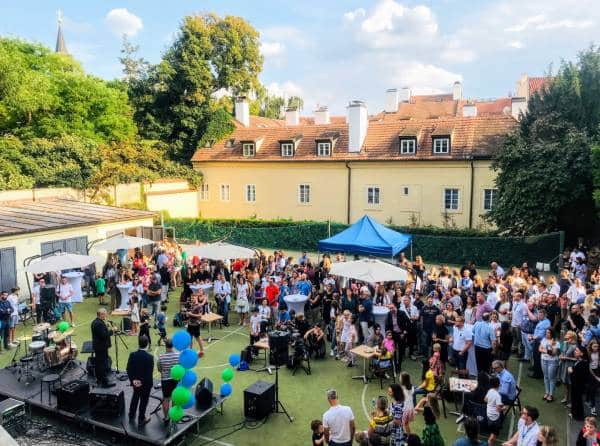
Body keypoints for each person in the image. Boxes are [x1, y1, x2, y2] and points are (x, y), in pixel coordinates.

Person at [127, 335, 154, 427]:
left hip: (135, 383)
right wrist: (141, 381)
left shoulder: (133, 355)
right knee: (143, 401)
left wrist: (134, 380)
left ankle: (131, 414)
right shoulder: (150, 357)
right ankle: (141, 419)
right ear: (147, 344)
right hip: (145, 384)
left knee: (135, 397)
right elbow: (148, 373)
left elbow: (128, 369)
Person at [157, 338, 179, 423]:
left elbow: (159, 369)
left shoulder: (161, 357)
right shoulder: (178, 355)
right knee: (174, 399)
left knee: (166, 399)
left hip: (165, 380)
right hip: (175, 379)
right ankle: (174, 416)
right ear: (173, 346)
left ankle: (166, 418)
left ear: (165, 346)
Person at [91, 308, 114, 387]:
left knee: (99, 363)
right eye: (105, 314)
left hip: (98, 346)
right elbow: (103, 335)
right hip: (101, 347)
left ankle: (99, 379)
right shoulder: (99, 324)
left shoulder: (95, 322)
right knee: (103, 364)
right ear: (101, 314)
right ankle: (105, 382)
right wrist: (112, 331)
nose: (106, 315)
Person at [539, 328, 560, 402]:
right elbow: (539, 349)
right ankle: (547, 392)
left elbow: (554, 353)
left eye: (548, 332)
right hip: (544, 360)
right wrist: (548, 351)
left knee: (552, 378)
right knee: (546, 376)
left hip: (552, 362)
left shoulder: (556, 342)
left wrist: (550, 346)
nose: (546, 334)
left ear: (552, 333)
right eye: (546, 332)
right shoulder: (544, 339)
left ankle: (551, 395)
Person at [485, 376, 504, 445]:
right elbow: (498, 409)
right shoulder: (498, 396)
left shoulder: (489, 391)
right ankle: (490, 443)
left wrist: (491, 403)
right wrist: (504, 408)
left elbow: (485, 399)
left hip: (488, 415)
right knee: (494, 434)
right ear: (498, 385)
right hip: (495, 417)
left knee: (491, 430)